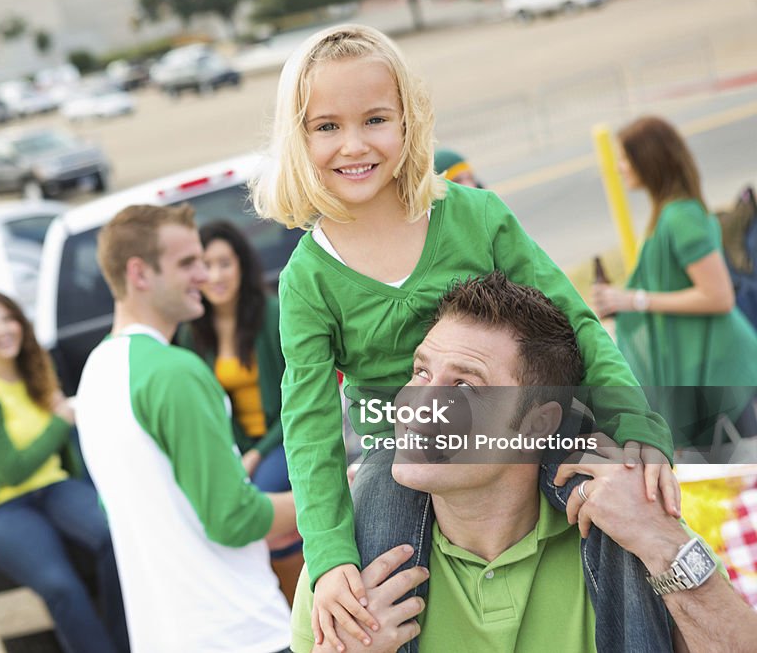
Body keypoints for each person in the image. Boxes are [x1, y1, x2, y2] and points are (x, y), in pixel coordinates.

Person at [249, 23, 677, 651]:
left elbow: (577, 323)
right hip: (402, 457)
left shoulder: (476, 216)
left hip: (522, 421)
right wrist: (330, 552)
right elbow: (309, 419)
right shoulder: (308, 278)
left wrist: (636, 424)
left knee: (625, 516)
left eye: (375, 119)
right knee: (367, 592)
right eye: (326, 127)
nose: (354, 144)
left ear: (409, 121)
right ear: (298, 137)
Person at [291, 273, 757, 653]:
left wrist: (661, 542)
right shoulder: (345, 566)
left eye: (464, 388)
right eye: (421, 371)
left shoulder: (628, 526)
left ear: (536, 425)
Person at [76, 204, 297, 653]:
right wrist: (342, 496)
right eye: (187, 263)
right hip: (239, 631)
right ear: (139, 273)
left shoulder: (96, 372)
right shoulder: (176, 371)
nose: (203, 274)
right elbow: (234, 519)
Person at [0, 292, 129, 653]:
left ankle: (125, 643)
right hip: (3, 507)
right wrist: (59, 422)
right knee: (60, 585)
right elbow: (12, 470)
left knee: (116, 536)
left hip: (53, 487)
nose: (3, 329)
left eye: (8, 318)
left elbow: (64, 452)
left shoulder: (36, 367)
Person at [593, 116, 757, 450]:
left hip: (719, 371)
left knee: (738, 474)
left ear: (649, 160)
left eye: (625, 158)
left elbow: (719, 296)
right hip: (703, 369)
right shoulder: (668, 214)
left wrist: (635, 300)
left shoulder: (681, 217)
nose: (620, 167)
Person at [176, 220, 304, 600]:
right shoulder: (191, 334)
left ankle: (294, 598)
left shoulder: (271, 314)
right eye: (206, 265)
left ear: (242, 266)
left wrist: (254, 454)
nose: (215, 276)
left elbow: (297, 402)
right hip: (236, 448)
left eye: (224, 264)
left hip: (284, 436)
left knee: (258, 499)